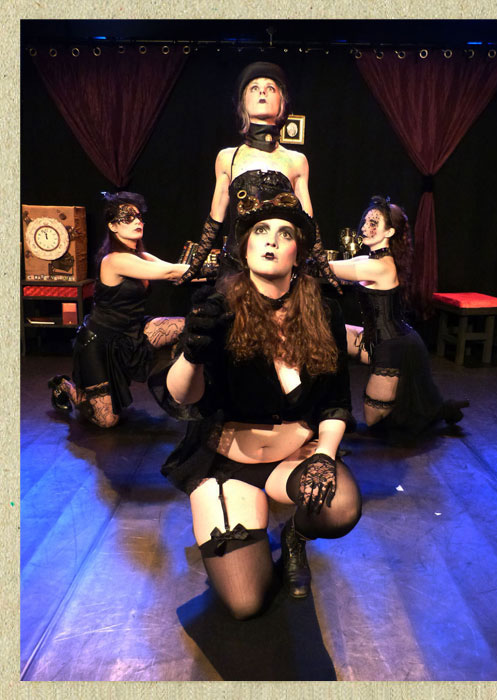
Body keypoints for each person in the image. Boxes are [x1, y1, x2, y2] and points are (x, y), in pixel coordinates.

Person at [150, 189, 361, 620]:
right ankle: (249, 519)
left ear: (298, 252)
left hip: (292, 457)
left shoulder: (324, 312)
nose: (272, 240)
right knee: (246, 602)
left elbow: (337, 403)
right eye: (261, 231)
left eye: (285, 234)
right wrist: (192, 353)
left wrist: (324, 453)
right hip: (228, 463)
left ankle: (295, 537)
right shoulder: (219, 309)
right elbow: (182, 397)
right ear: (244, 247)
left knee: (339, 506)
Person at [178, 60, 341, 292]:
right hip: (236, 272)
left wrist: (326, 271)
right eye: (254, 88)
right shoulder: (228, 157)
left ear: (282, 102)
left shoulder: (297, 160)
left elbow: (309, 223)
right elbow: (215, 220)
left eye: (270, 88)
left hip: (278, 270)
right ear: (243, 102)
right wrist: (193, 267)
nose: (262, 92)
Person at [329, 195, 469, 438]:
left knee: (374, 421)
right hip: (375, 338)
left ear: (389, 232)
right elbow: (339, 265)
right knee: (327, 332)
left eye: (374, 223)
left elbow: (330, 268)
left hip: (394, 347)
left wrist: (301, 254)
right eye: (365, 221)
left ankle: (435, 412)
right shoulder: (370, 259)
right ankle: (331, 408)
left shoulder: (380, 266)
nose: (365, 228)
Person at [48, 191, 188, 428]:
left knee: (189, 326)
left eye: (138, 217)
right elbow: (171, 272)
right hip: (99, 344)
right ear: (112, 226)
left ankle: (179, 390)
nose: (137, 221)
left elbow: (179, 272)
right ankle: (65, 386)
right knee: (108, 421)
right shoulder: (113, 260)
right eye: (128, 218)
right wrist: (209, 267)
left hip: (131, 333)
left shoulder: (141, 256)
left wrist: (218, 268)